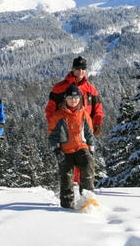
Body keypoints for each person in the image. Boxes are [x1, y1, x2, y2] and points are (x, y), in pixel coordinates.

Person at [45, 56, 104, 184]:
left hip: (84, 130)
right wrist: (54, 125)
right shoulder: (59, 88)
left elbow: (98, 110)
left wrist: (96, 126)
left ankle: (84, 191)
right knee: (67, 163)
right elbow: (50, 110)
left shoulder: (91, 89)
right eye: (77, 68)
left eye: (83, 68)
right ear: (72, 69)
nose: (80, 71)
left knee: (86, 162)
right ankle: (70, 189)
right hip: (65, 131)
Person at [48, 83, 95, 209]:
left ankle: (87, 198)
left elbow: (89, 133)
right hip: (65, 150)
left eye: (76, 98)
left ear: (80, 99)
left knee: (88, 165)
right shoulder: (59, 115)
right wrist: (56, 149)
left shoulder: (84, 114)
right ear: (65, 99)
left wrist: (92, 148)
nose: (73, 100)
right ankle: (67, 205)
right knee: (66, 178)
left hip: (81, 147)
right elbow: (52, 135)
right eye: (70, 98)